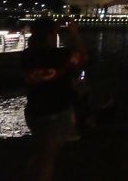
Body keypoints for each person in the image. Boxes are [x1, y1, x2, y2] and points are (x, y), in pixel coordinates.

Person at [21, 18, 88, 181]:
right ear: (51, 35)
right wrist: (75, 33)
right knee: (49, 158)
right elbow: (84, 57)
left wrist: (52, 27)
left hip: (34, 112)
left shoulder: (26, 55)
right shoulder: (61, 55)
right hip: (57, 112)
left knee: (40, 151)